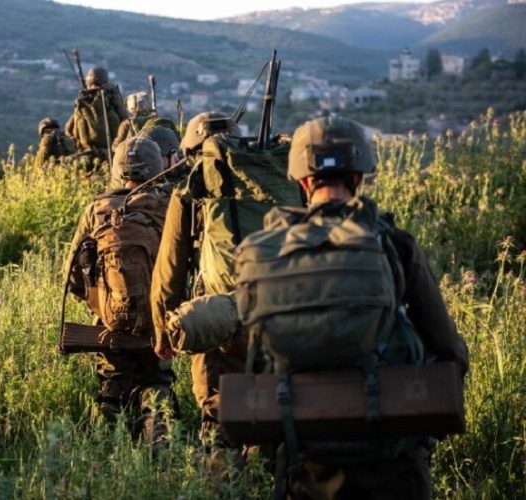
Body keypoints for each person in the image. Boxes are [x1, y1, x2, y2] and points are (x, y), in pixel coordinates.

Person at [164, 116, 470, 499]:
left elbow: (255, 354)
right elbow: (449, 351)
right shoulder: (394, 243)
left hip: (302, 464)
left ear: (303, 182)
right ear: (358, 177)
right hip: (391, 462)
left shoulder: (265, 253)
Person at [149, 111, 247, 468]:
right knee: (273, 411)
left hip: (216, 321)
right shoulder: (272, 179)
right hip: (280, 315)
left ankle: (225, 481)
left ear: (190, 151)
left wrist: (163, 333)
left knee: (219, 414)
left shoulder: (190, 191)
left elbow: (169, 273)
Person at [65, 137, 177, 445]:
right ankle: (160, 447)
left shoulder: (97, 210)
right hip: (159, 324)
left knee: (112, 385)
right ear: (157, 167)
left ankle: (105, 451)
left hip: (110, 322)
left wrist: (102, 303)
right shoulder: (168, 207)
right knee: (157, 382)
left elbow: (71, 276)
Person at [65, 67, 127, 169]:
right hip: (111, 154)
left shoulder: (82, 101)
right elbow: (125, 121)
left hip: (87, 154)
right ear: (105, 82)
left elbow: (69, 130)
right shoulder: (112, 98)